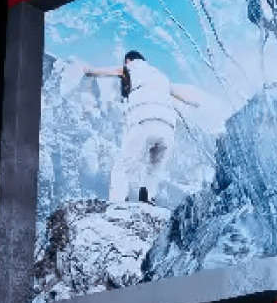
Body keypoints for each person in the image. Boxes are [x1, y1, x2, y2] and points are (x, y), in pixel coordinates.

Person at [84, 51, 200, 204]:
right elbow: (184, 97)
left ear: (128, 60)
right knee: (154, 168)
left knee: (123, 166)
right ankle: (148, 197)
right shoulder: (162, 78)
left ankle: (116, 203)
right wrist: (196, 104)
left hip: (144, 122)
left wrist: (89, 71)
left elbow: (106, 72)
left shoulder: (130, 68)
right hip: (167, 128)